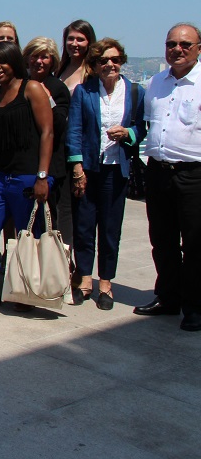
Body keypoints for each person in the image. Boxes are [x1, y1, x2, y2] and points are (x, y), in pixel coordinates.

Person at [0, 42, 54, 305]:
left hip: (27, 177)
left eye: (2, 62)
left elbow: (47, 133)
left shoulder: (32, 89)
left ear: (14, 62)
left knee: (28, 235)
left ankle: (25, 290)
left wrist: (41, 176)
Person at [67, 38, 145, 310]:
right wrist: (77, 167)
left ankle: (106, 282)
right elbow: (74, 130)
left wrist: (129, 134)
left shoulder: (135, 92)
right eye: (103, 60)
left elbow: (142, 127)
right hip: (89, 169)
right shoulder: (84, 91)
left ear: (121, 61)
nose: (109, 64)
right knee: (84, 226)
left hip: (117, 170)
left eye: (114, 59)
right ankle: (85, 280)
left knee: (111, 230)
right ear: (95, 65)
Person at [134, 23, 201, 332]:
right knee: (162, 241)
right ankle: (168, 297)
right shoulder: (156, 83)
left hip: (193, 174)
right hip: (159, 171)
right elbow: (147, 125)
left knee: (195, 245)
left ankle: (195, 306)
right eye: (171, 43)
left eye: (185, 44)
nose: (177, 49)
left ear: (198, 48)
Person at [23, 37, 73, 241]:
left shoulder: (58, 87)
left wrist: (46, 98)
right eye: (35, 56)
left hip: (52, 167)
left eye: (45, 57)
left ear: (53, 61)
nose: (39, 61)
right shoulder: (21, 85)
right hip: (25, 164)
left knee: (54, 220)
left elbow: (60, 125)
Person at [57, 19, 96, 93]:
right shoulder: (59, 70)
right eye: (70, 39)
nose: (74, 44)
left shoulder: (93, 73)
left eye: (80, 40)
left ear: (89, 42)